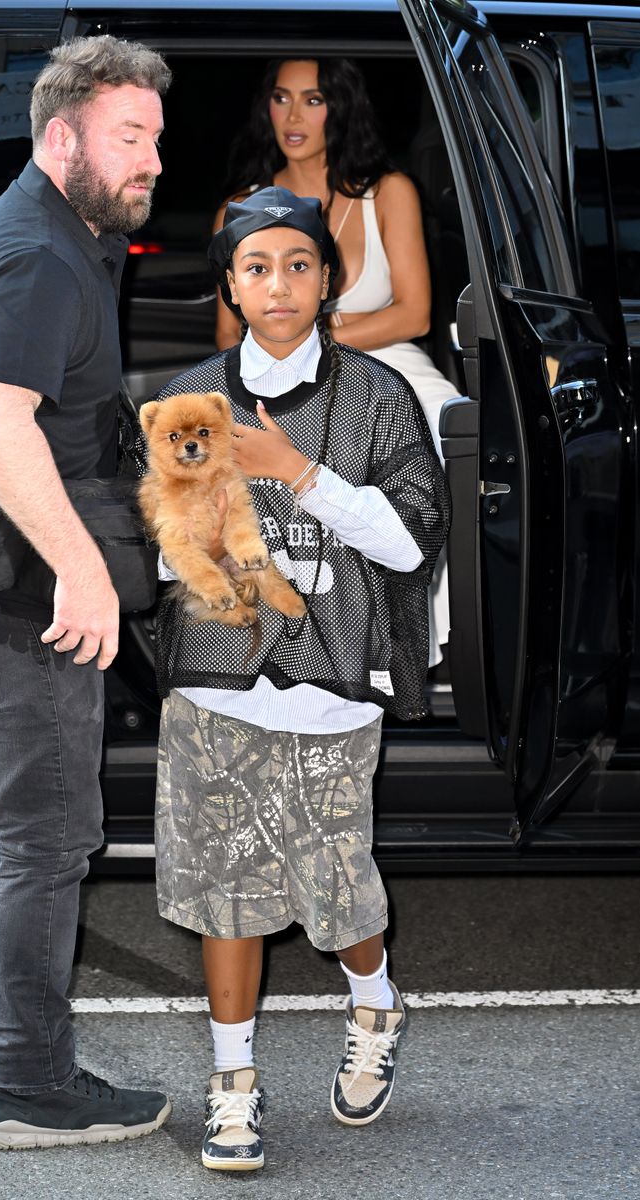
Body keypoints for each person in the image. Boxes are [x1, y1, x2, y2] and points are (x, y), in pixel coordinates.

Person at [150, 186, 450, 1171]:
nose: (275, 283)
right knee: (224, 886)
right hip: (214, 676)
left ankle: (373, 1002)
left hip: (328, 678)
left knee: (334, 892)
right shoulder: (189, 392)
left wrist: (296, 472)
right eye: (254, 266)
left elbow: (410, 544)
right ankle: (231, 1088)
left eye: (296, 264)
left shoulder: (375, 397)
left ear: (326, 281)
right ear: (229, 286)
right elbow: (157, 547)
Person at [0, 36, 174, 1150]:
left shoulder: (40, 234)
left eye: (156, 141)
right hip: (13, 607)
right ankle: (30, 1086)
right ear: (60, 136)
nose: (152, 161)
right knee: (43, 840)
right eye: (131, 138)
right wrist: (85, 571)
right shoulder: (35, 253)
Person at [214, 57, 458, 669]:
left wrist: (320, 332)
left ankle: (416, 642)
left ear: (340, 108)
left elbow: (415, 314)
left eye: (314, 100)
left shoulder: (387, 192)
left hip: (390, 360)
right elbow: (227, 334)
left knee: (440, 427)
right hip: (271, 369)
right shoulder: (239, 208)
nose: (294, 116)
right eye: (281, 98)